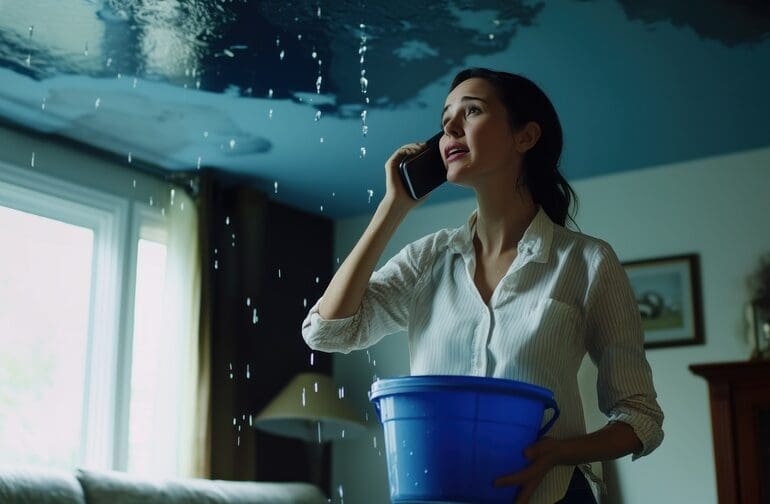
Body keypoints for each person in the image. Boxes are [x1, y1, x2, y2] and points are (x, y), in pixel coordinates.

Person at [301, 67, 664, 504]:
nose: (450, 129)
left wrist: (558, 453)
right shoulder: (426, 259)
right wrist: (393, 206)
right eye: (444, 120)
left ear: (525, 137)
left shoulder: (587, 262)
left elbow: (641, 417)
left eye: (471, 111)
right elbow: (328, 331)